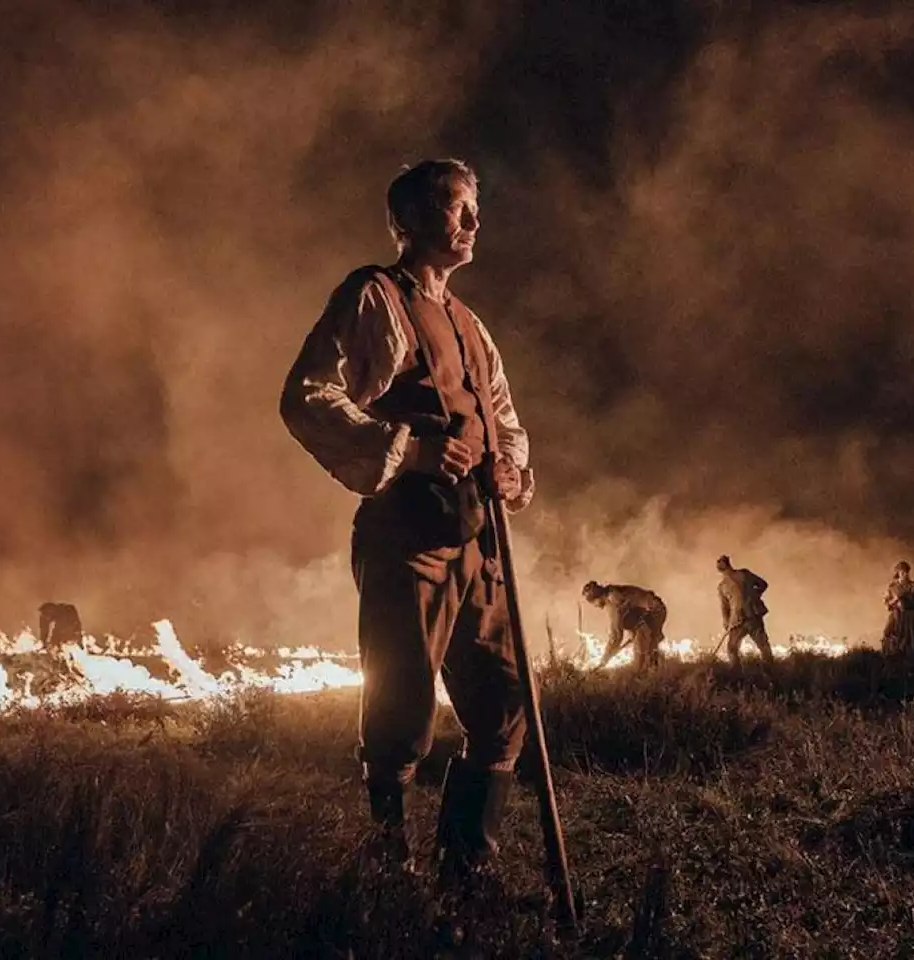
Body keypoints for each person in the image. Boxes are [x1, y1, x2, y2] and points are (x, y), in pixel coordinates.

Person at [280, 159, 534, 878]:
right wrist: (411, 452)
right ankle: (388, 866)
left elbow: (503, 416)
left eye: (473, 208)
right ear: (410, 220)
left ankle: (465, 867)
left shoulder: (469, 322)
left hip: (479, 540)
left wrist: (510, 469)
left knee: (506, 700)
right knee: (401, 707)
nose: (472, 223)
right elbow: (307, 394)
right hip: (407, 535)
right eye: (457, 208)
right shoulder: (374, 296)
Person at [581, 581, 666, 671]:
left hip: (653, 612)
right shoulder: (613, 592)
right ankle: (656, 669)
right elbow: (632, 614)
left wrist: (604, 660)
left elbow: (616, 637)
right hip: (654, 610)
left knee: (640, 658)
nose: (595, 606)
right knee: (646, 646)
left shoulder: (613, 602)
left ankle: (644, 675)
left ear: (597, 599)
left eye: (593, 603)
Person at [716, 555, 774, 667]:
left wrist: (754, 596)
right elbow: (724, 607)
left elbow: (763, 584)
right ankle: (739, 672)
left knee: (760, 645)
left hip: (748, 617)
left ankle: (768, 669)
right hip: (742, 619)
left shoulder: (743, 575)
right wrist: (726, 622)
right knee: (735, 647)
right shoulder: (723, 586)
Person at [881, 561, 914, 656]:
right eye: (902, 573)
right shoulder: (892, 587)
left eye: (906, 572)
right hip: (898, 616)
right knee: (888, 634)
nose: (905, 575)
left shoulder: (913, 586)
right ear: (898, 573)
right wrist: (896, 599)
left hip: (912, 618)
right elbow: (887, 606)